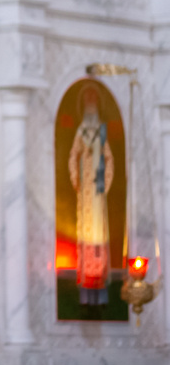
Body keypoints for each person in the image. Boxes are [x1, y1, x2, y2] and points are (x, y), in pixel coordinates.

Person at [69, 84, 115, 307]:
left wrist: (105, 183)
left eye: (93, 100)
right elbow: (73, 155)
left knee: (98, 235)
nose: (90, 104)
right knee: (86, 234)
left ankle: (100, 291)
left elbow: (109, 158)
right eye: (87, 100)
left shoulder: (102, 131)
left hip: (97, 191)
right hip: (85, 194)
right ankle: (86, 293)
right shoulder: (80, 132)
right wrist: (75, 177)